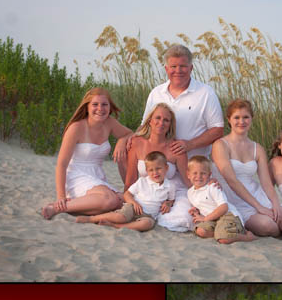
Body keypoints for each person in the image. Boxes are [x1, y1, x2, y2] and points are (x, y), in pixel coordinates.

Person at [122, 44, 225, 231]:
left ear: (191, 68)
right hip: (158, 170)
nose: (178, 71)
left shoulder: (205, 93)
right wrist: (127, 138)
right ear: (166, 69)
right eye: (174, 66)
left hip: (190, 172)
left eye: (183, 66)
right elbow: (145, 124)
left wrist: (189, 144)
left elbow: (218, 130)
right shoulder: (156, 93)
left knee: (181, 218)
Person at [41, 88, 133, 220]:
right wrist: (61, 196)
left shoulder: (109, 122)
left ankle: (85, 208)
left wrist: (121, 141)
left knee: (121, 201)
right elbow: (61, 165)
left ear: (109, 107)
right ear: (87, 107)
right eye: (95, 104)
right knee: (109, 200)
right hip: (76, 175)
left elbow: (130, 134)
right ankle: (57, 207)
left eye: (104, 104)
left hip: (97, 175)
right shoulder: (76, 127)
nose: (100, 108)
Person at [212, 99, 282, 237]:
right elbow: (231, 180)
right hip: (236, 198)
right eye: (236, 117)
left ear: (252, 118)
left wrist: (275, 203)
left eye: (246, 117)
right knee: (269, 226)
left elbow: (266, 183)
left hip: (257, 194)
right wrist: (258, 207)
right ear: (229, 119)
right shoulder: (220, 145)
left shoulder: (258, 148)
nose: (242, 121)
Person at [122, 103, 191, 232]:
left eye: (166, 120)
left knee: (183, 219)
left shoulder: (176, 148)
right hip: (144, 193)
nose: (161, 123)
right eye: (158, 118)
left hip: (169, 194)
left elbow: (188, 180)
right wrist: (126, 199)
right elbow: (130, 178)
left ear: (170, 125)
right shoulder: (137, 143)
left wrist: (208, 186)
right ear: (150, 121)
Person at [77, 151, 174, 231]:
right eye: (151, 170)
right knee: (120, 217)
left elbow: (171, 199)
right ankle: (92, 218)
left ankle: (117, 226)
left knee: (147, 224)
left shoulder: (170, 186)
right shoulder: (142, 181)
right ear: (147, 171)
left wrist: (168, 204)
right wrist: (134, 203)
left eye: (158, 169)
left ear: (166, 167)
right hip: (133, 208)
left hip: (149, 215)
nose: (155, 173)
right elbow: (127, 194)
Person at [186, 155, 256, 244]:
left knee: (223, 239)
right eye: (195, 173)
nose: (198, 176)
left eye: (203, 173)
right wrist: (195, 210)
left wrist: (206, 218)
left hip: (227, 216)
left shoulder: (213, 187)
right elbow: (202, 204)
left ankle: (247, 237)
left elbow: (224, 207)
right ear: (188, 174)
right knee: (201, 231)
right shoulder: (190, 192)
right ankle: (220, 233)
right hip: (213, 219)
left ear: (209, 175)